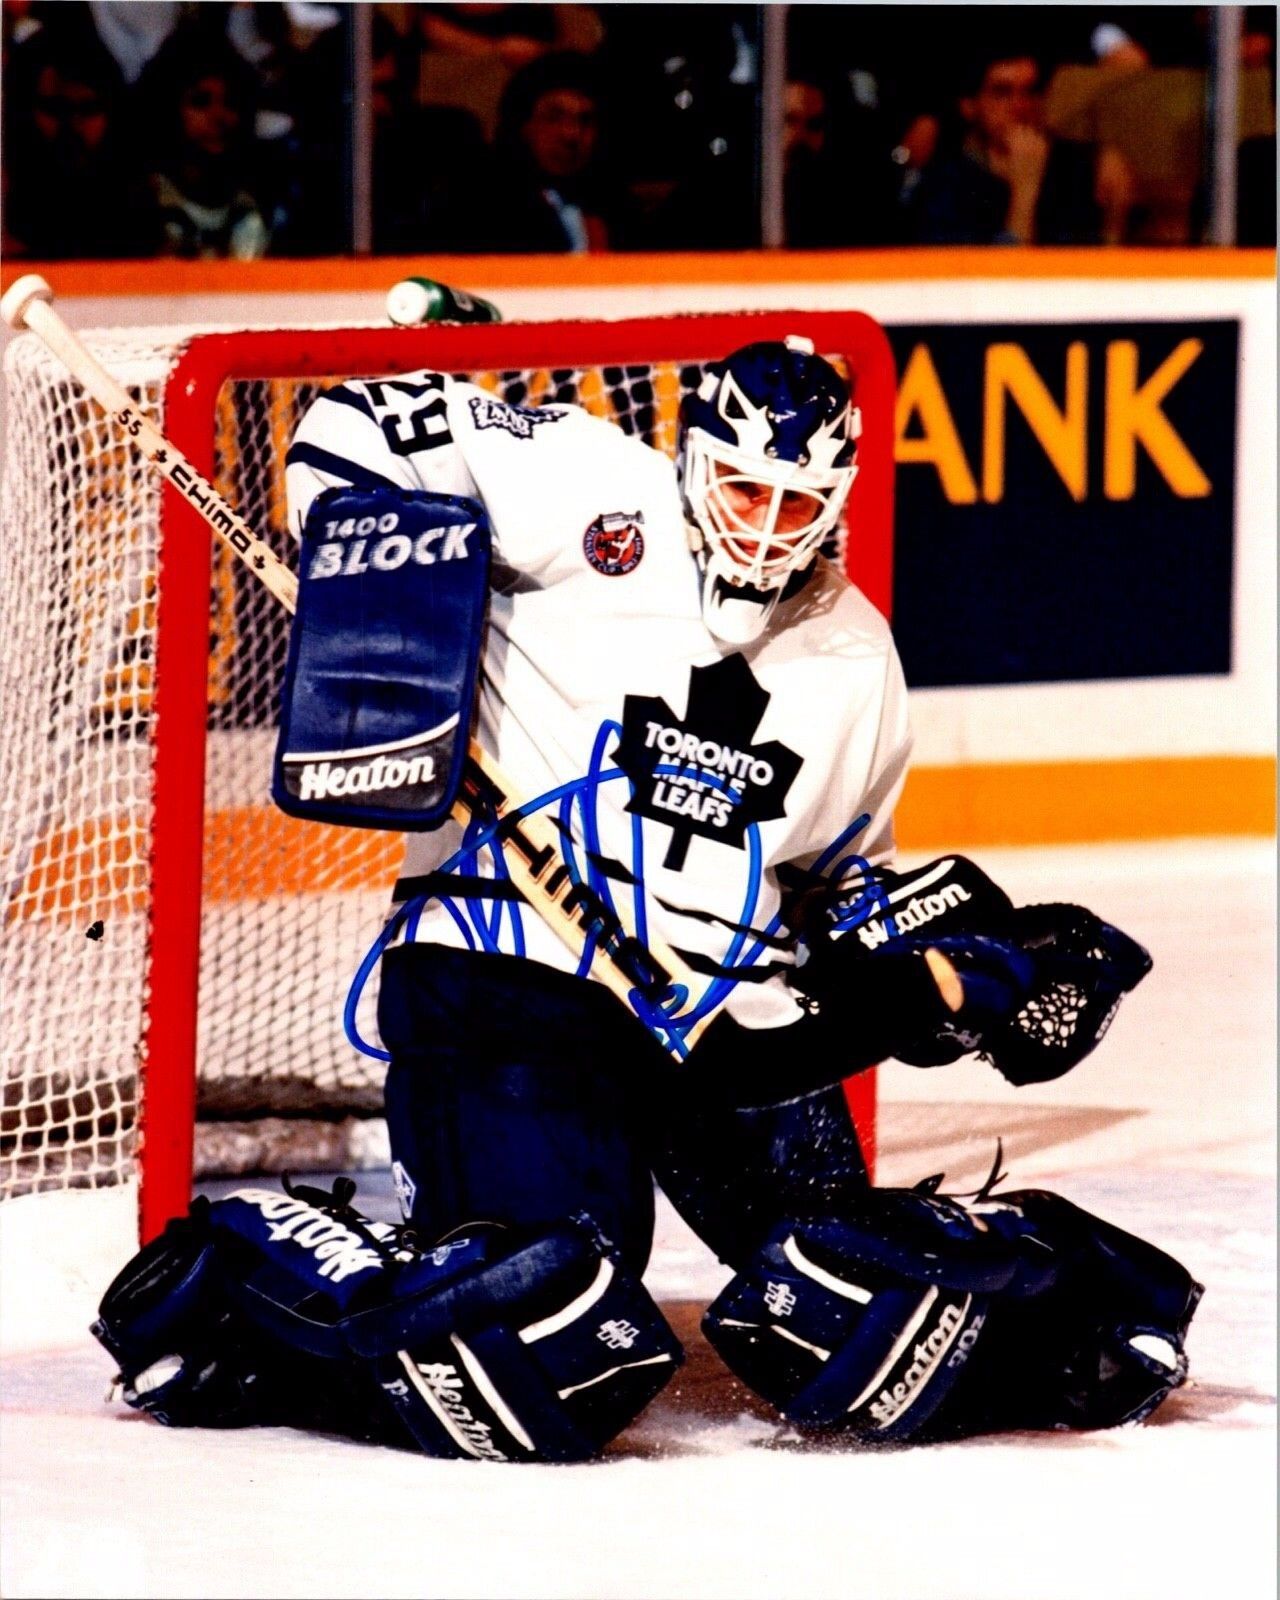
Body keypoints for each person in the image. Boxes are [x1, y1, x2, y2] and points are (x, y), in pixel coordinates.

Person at [91, 335, 1200, 1463]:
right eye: (743, 487)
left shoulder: (856, 658)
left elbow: (833, 879)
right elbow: (354, 427)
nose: (765, 526)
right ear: (694, 458)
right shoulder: (588, 486)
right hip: (508, 979)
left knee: (849, 1291)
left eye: (797, 501)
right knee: (548, 1327)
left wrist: (951, 969)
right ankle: (243, 1279)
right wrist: (385, 581)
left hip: (721, 1023)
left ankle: (1062, 1306)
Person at [908, 42, 1133, 244]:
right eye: (1002, 93)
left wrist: (1114, 217)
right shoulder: (945, 181)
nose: (1020, 106)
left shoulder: (1077, 164)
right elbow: (994, 283)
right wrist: (1025, 190)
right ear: (970, 106)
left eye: (1030, 91)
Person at [135, 25, 272, 258]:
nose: (220, 117)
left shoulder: (256, 206)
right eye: (200, 102)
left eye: (231, 102)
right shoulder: (139, 202)